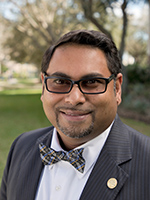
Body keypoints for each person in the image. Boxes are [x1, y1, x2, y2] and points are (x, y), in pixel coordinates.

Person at [0, 30, 150, 200]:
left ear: (116, 88)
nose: (74, 99)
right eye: (60, 82)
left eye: (92, 82)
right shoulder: (21, 147)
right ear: (43, 86)